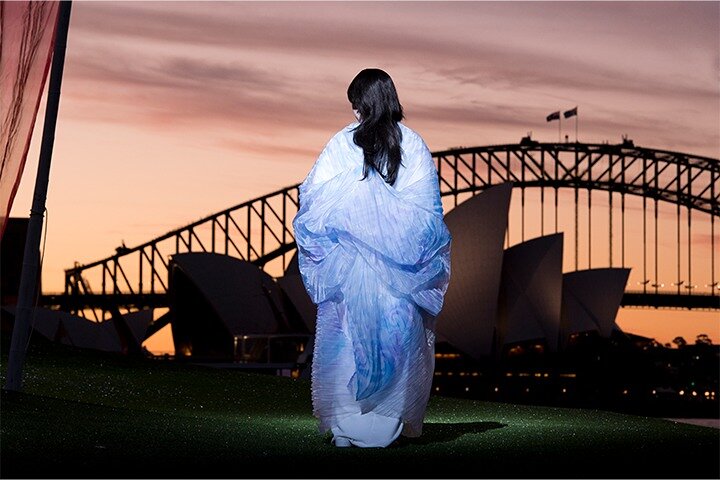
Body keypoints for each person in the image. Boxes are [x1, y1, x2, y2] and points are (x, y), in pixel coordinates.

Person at [292, 68, 452, 448]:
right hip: (399, 273)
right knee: (398, 344)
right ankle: (386, 428)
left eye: (354, 104)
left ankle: (347, 428)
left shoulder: (342, 142)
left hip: (350, 269)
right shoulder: (413, 144)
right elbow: (428, 215)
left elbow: (313, 200)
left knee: (347, 344)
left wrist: (358, 207)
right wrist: (383, 217)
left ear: (361, 104)